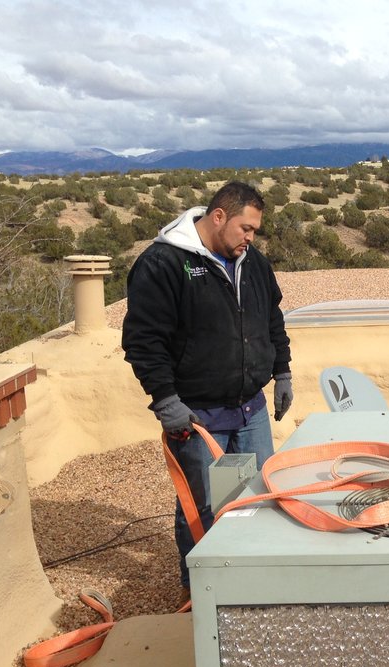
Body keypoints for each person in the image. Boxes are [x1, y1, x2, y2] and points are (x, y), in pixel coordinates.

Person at [122, 181, 293, 593]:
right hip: (197, 417)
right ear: (219, 216)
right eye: (245, 229)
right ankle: (201, 591)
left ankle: (249, 581)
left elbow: (272, 320)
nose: (250, 239)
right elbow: (144, 341)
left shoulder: (253, 263)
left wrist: (282, 371)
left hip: (249, 411)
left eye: (254, 231)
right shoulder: (163, 264)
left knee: (253, 498)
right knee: (203, 508)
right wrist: (165, 400)